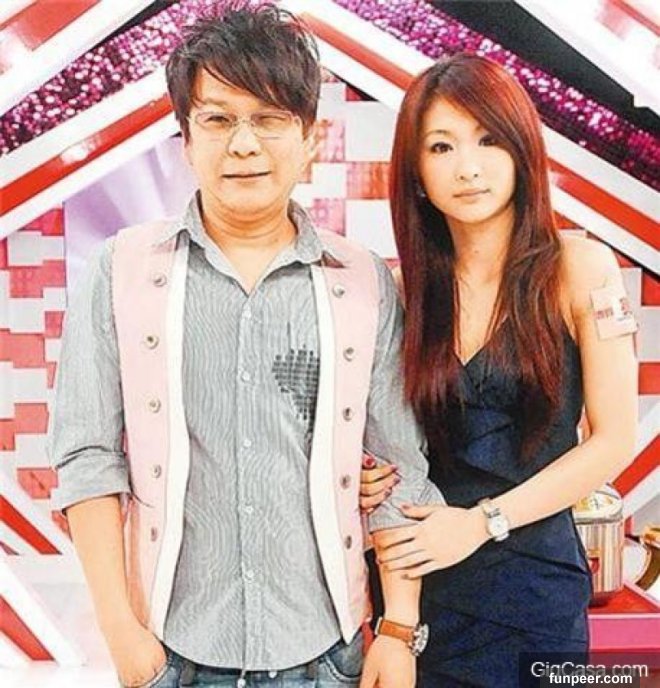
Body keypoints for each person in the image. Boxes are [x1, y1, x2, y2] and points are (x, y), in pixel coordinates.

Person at [48, 4, 442, 688]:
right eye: (218, 119)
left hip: (325, 652)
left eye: (269, 119)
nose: (243, 144)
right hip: (171, 651)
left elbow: (399, 468)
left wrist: (399, 630)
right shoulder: (122, 270)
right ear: (185, 138)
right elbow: (87, 458)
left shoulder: (361, 280)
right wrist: (120, 632)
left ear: (310, 137)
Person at [359, 54, 638, 688]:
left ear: (520, 150)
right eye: (441, 146)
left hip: (535, 588)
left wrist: (483, 523)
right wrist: (364, 477)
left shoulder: (581, 268)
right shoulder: (401, 292)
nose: (468, 166)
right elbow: (385, 441)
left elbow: (614, 439)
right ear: (416, 172)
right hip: (422, 586)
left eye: (488, 139)